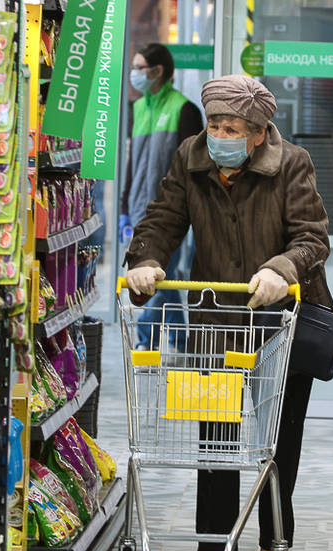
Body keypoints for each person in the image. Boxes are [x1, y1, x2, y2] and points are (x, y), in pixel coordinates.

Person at [124, 75, 331, 551]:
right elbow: (162, 218)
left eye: (231, 127)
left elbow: (312, 236)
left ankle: (274, 535)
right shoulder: (191, 159)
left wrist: (281, 270)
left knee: (278, 434)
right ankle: (215, 544)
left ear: (258, 132)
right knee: (214, 430)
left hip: (282, 318)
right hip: (217, 315)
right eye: (214, 123)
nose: (219, 134)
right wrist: (146, 260)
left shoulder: (293, 164)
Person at [122, 43, 204, 351]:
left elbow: (192, 171)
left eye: (139, 68)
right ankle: (180, 340)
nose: (134, 74)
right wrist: (124, 207)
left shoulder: (185, 111)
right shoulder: (138, 108)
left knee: (159, 277)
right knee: (159, 278)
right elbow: (132, 161)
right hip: (139, 208)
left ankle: (147, 341)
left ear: (158, 71)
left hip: (172, 215)